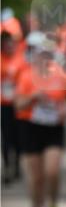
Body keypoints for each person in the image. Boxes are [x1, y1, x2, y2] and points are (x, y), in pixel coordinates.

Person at [14, 42, 66, 207]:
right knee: (36, 176)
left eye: (48, 54)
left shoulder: (60, 75)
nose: (45, 58)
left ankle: (53, 206)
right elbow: (18, 105)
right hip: (31, 126)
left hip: (54, 127)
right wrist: (33, 97)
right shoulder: (26, 75)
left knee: (52, 171)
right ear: (34, 55)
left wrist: (65, 110)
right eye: (41, 54)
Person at [1, 30, 24, 184]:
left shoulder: (20, 60)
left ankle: (17, 166)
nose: (9, 48)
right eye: (6, 45)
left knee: (18, 137)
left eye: (11, 45)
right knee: (6, 137)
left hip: (19, 105)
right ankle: (8, 166)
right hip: (4, 105)